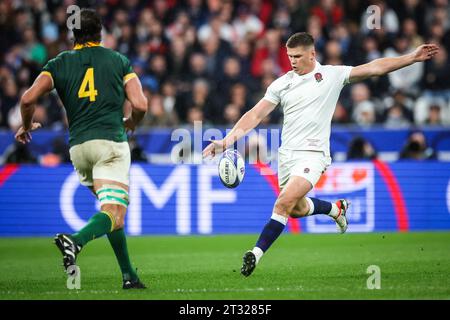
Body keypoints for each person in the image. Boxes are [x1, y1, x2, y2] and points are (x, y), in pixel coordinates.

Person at [202, 32, 439, 277]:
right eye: (289, 56)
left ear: (312, 54)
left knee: (282, 204)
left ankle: (255, 254)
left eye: (297, 56)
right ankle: (335, 209)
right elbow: (255, 114)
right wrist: (226, 141)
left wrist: (411, 57)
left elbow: (374, 68)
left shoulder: (331, 76)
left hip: (313, 155)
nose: (292, 61)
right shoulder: (282, 83)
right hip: (287, 157)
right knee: (295, 209)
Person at [14, 9, 148, 289]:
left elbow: (27, 99)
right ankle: (75, 241)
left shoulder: (59, 63)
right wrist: (132, 123)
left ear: (73, 34)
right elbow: (141, 105)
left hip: (78, 149)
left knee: (111, 211)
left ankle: (128, 276)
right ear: (101, 32)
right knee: (114, 211)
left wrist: (26, 126)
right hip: (110, 143)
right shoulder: (118, 60)